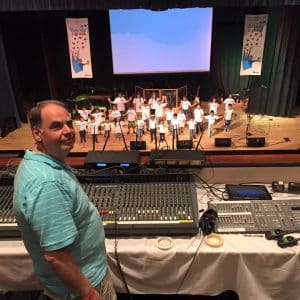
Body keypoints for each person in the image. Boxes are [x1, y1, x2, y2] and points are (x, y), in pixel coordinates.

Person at [13, 100, 116, 300]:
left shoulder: (43, 164)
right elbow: (57, 256)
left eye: (69, 123)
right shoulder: (46, 183)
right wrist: (89, 294)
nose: (68, 130)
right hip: (81, 287)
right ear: (37, 134)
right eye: (56, 126)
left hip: (81, 279)